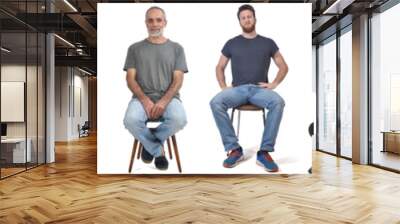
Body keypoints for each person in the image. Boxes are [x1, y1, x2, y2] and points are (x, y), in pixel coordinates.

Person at [210, 4, 288, 172]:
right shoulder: (232, 43)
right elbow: (219, 67)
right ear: (240, 21)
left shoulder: (268, 42)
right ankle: (234, 149)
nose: (247, 19)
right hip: (237, 90)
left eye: (249, 16)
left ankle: (264, 152)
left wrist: (273, 84)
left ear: (255, 19)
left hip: (260, 90)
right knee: (215, 102)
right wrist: (223, 87)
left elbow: (283, 66)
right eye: (243, 17)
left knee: (278, 102)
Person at [123, 6, 188, 170]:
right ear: (146, 23)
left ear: (165, 22)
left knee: (179, 119)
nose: (155, 24)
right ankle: (158, 151)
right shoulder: (134, 48)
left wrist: (163, 102)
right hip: (140, 97)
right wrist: (145, 100)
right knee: (130, 120)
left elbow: (178, 79)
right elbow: (130, 79)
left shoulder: (177, 48)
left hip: (170, 97)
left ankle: (148, 144)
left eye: (158, 20)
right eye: (150, 20)